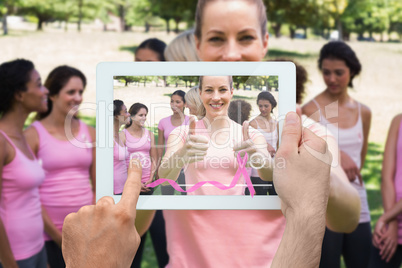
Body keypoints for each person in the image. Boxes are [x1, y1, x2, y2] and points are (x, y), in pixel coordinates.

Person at [143, 1, 359, 266]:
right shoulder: (184, 131)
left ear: (264, 42)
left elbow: (348, 218)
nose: (231, 53)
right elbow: (150, 204)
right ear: (198, 46)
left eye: (245, 38)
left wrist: (314, 176)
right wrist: (179, 157)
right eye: (217, 38)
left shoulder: (294, 130)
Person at [61, 111, 333, 268]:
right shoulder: (182, 131)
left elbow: (345, 214)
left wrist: (307, 200)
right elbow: (163, 179)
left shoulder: (258, 132)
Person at [302, 41, 372, 268]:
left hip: (358, 204)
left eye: (339, 73)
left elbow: (358, 162)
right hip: (324, 209)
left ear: (352, 72)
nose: (332, 78)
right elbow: (307, 159)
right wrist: (339, 154)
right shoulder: (310, 110)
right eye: (326, 72)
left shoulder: (364, 112)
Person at [24, 66, 96, 268]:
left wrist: (88, 228)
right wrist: (58, 237)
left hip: (85, 234)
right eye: (71, 92)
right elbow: (29, 192)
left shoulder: (91, 133)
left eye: (81, 92)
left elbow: (99, 186)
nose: (78, 98)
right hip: (45, 235)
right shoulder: (32, 135)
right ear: (53, 95)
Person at [0, 59, 48, 268]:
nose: (45, 90)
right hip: (14, 256)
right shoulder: (2, 141)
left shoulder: (22, 135)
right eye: (38, 84)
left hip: (37, 248)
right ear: (19, 95)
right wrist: (10, 264)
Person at [134, 38, 169, 268]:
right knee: (131, 251)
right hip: (137, 188)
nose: (139, 66)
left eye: (147, 62)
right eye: (137, 61)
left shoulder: (171, 98)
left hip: (167, 191)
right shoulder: (132, 93)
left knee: (170, 253)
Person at [369, 114, 402, 267]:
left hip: (390, 214)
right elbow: (386, 177)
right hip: (392, 220)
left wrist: (385, 217)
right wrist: (392, 222)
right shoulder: (398, 120)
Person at [157, 90, 189, 195]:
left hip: (186, 168)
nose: (174, 105)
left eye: (177, 102)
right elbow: (160, 148)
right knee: (166, 198)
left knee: (188, 198)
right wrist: (158, 167)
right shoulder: (163, 122)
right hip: (168, 167)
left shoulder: (191, 121)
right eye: (172, 101)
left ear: (185, 104)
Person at [249, 91, 278, 195]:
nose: (263, 109)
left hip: (274, 169)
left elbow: (278, 146)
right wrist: (266, 145)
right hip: (258, 171)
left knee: (275, 201)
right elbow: (250, 146)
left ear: (272, 105)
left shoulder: (276, 123)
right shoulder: (253, 123)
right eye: (260, 106)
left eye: (266, 106)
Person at [113, 99, 130, 195]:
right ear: (116, 116)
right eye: (125, 111)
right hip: (114, 191)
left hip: (123, 189)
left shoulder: (119, 135)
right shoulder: (108, 139)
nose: (128, 114)